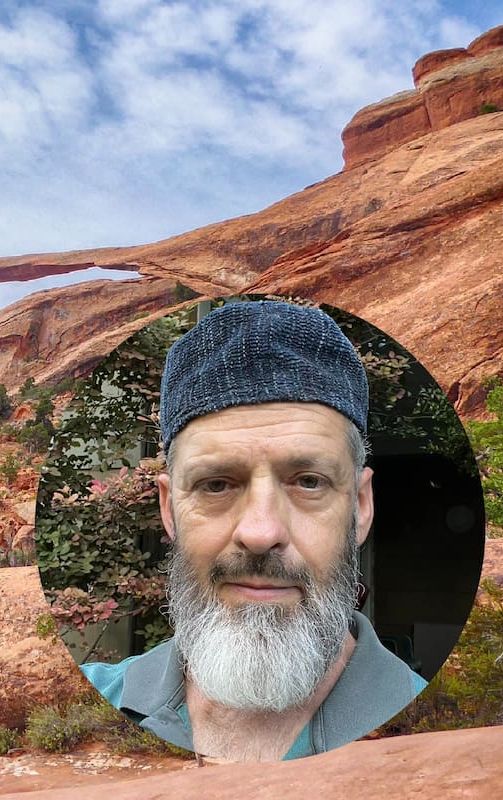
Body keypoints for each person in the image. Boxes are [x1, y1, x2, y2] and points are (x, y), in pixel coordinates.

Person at [80, 300, 427, 761]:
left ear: (360, 508)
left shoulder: (444, 722)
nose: (261, 533)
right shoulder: (83, 701)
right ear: (169, 509)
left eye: (308, 482)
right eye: (217, 484)